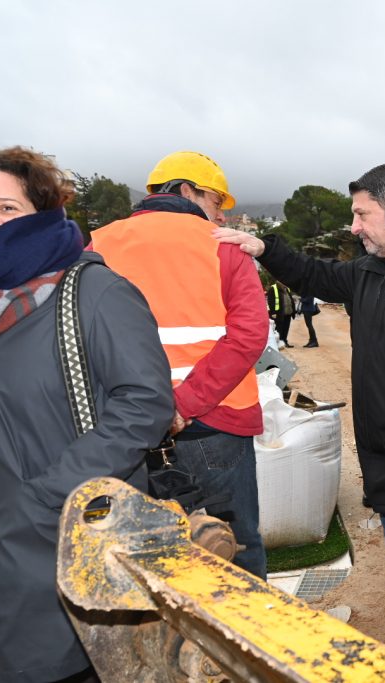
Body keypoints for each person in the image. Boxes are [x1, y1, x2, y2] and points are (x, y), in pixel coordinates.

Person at [214, 163, 385, 678]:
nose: (356, 226)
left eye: (362, 214)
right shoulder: (368, 269)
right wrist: (265, 249)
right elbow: (314, 274)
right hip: (380, 440)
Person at [0, 147, 173, 681]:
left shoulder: (93, 291)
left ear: (43, 213)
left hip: (66, 535)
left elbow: (144, 402)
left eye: (6, 207)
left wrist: (52, 495)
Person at [89, 150, 269, 578]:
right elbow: (248, 334)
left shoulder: (98, 242)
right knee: (232, 549)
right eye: (215, 202)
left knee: (148, 560)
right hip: (214, 425)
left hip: (125, 430)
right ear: (186, 191)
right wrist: (183, 405)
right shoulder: (221, 246)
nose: (222, 217)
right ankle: (244, 643)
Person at [267, 281, 295, 347]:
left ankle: (284, 342)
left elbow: (291, 300)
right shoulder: (273, 288)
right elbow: (270, 301)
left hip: (288, 313)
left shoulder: (287, 289)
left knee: (286, 329)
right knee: (279, 329)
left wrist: (293, 311)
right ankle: (277, 343)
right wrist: (273, 312)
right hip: (279, 314)